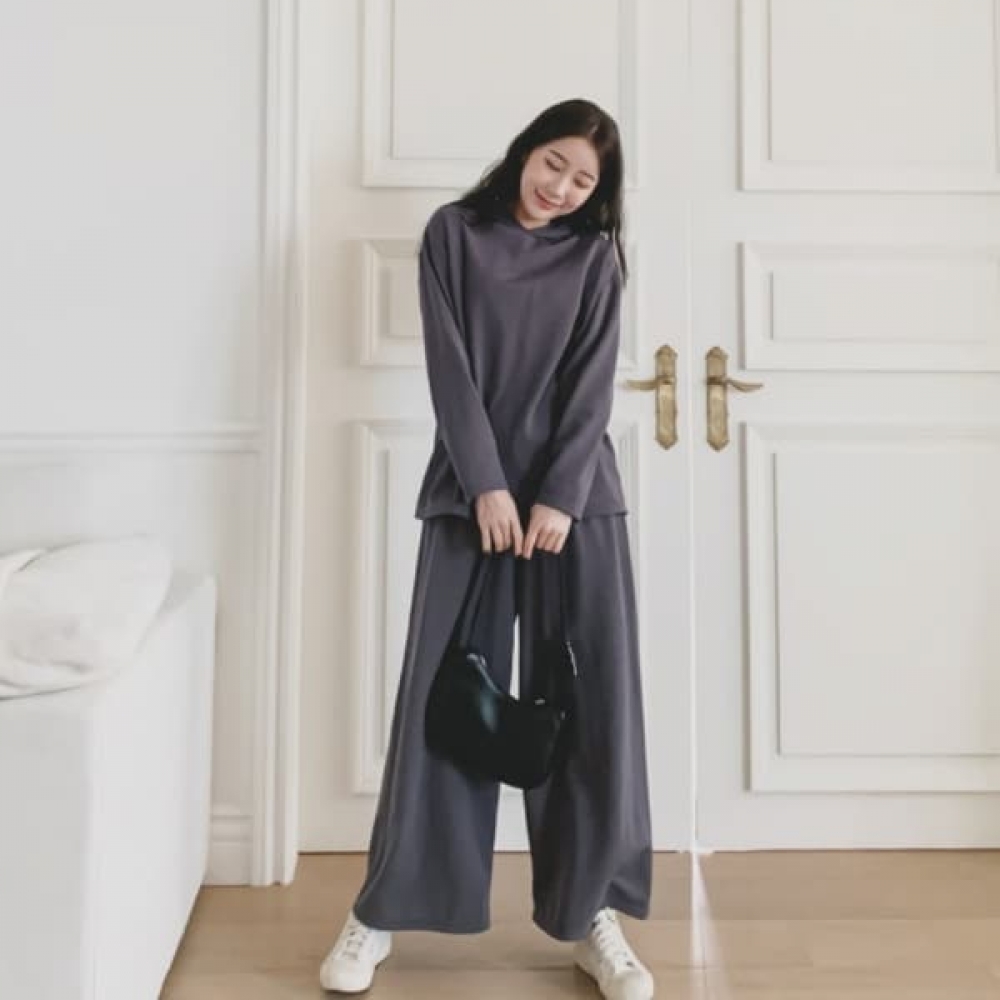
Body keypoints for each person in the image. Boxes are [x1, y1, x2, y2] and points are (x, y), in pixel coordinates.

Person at [319, 98, 654, 1000]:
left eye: (583, 180)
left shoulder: (594, 257)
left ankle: (592, 914)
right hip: (472, 500)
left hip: (576, 508)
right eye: (554, 164)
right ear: (525, 152)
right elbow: (451, 369)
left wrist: (559, 495)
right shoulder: (453, 235)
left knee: (590, 706)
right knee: (440, 701)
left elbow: (591, 383)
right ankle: (381, 910)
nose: (562, 188)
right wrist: (486, 484)